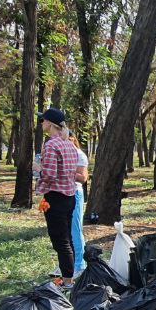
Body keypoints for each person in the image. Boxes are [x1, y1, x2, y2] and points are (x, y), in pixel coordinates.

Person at [35, 108, 79, 287]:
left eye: (42, 120)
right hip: (69, 196)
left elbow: (50, 175)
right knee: (67, 238)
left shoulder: (52, 145)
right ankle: (70, 277)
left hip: (56, 198)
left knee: (60, 241)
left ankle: (68, 282)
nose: (41, 124)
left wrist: (38, 170)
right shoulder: (69, 144)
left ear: (50, 123)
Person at [67, 131, 90, 277]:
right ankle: (67, 264)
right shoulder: (60, 154)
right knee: (64, 232)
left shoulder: (79, 155)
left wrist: (67, 171)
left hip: (75, 193)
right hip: (61, 194)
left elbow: (83, 178)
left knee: (75, 230)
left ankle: (80, 264)